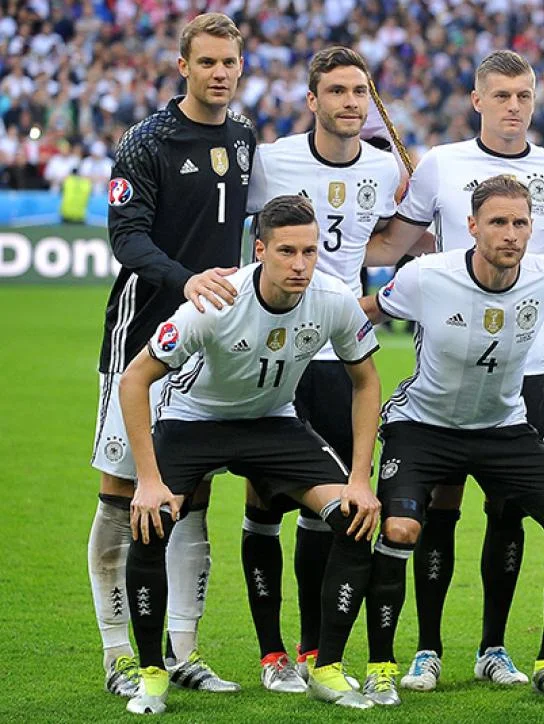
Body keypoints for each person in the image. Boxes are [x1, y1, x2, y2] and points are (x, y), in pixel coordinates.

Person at [363, 51, 544, 691]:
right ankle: (427, 649)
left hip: (522, 370)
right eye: (501, 95)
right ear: (477, 100)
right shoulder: (441, 164)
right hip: (447, 366)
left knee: (509, 514)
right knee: (438, 511)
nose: (514, 107)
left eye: (524, 96)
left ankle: (494, 648)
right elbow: (400, 245)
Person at [116, 195, 384, 714]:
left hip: (273, 422)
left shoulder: (333, 299)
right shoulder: (217, 301)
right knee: (151, 521)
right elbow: (134, 380)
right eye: (287, 251)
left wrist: (359, 478)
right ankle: (152, 675)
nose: (300, 264)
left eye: (309, 251)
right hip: (194, 422)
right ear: (259, 250)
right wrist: (147, 481)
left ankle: (326, 668)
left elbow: (366, 381)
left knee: (354, 517)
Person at [89, 12, 253, 698]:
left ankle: (183, 650)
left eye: (229, 62)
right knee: (121, 497)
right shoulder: (146, 141)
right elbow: (125, 238)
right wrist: (185, 280)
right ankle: (118, 653)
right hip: (143, 335)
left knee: (192, 495)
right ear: (183, 66)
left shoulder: (243, 138)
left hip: (210, 340)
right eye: (207, 61)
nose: (219, 73)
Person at [239, 45, 403, 695]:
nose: (349, 102)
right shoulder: (272, 160)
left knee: (327, 508)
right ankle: (271, 653)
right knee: (263, 503)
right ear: (312, 100)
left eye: (359, 92)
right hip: (273, 352)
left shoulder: (385, 167)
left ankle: (312, 649)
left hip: (338, 350)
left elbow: (388, 238)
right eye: (336, 91)